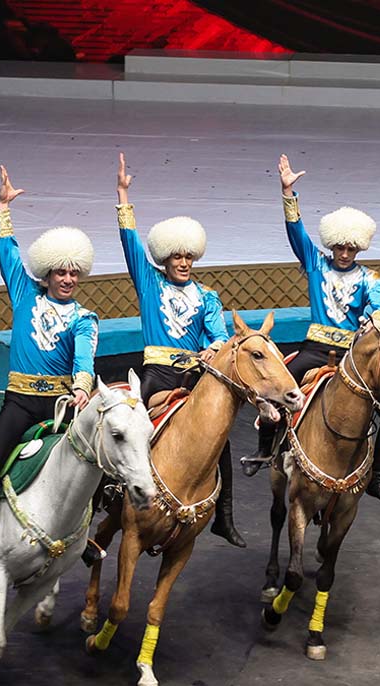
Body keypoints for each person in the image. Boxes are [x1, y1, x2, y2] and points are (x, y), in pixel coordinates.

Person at [241, 154, 380, 506]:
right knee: (274, 391)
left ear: (359, 247)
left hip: (352, 356)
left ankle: (377, 477)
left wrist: (374, 317)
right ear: (332, 245)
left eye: (351, 248)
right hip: (315, 348)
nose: (345, 253)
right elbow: (295, 234)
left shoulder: (370, 279)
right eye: (340, 247)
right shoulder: (315, 264)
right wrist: (288, 193)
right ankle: (263, 451)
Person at [114, 152, 245, 547]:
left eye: (188, 256)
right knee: (139, 429)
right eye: (176, 256)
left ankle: (224, 515)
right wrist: (123, 197)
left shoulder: (208, 296)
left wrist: (213, 350)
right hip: (157, 372)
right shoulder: (150, 284)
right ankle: (114, 497)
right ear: (165, 259)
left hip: (194, 375)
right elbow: (129, 242)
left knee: (218, 440)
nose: (183, 262)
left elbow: (217, 336)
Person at [0, 164, 98, 509]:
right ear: (47, 273)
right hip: (19, 401)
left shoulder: (84, 318)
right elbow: (7, 252)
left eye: (73, 273)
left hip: (60, 406)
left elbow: (84, 357)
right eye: (61, 272)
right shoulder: (24, 294)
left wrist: (82, 385)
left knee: (91, 468)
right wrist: (3, 207)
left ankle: (86, 530)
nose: (68, 279)